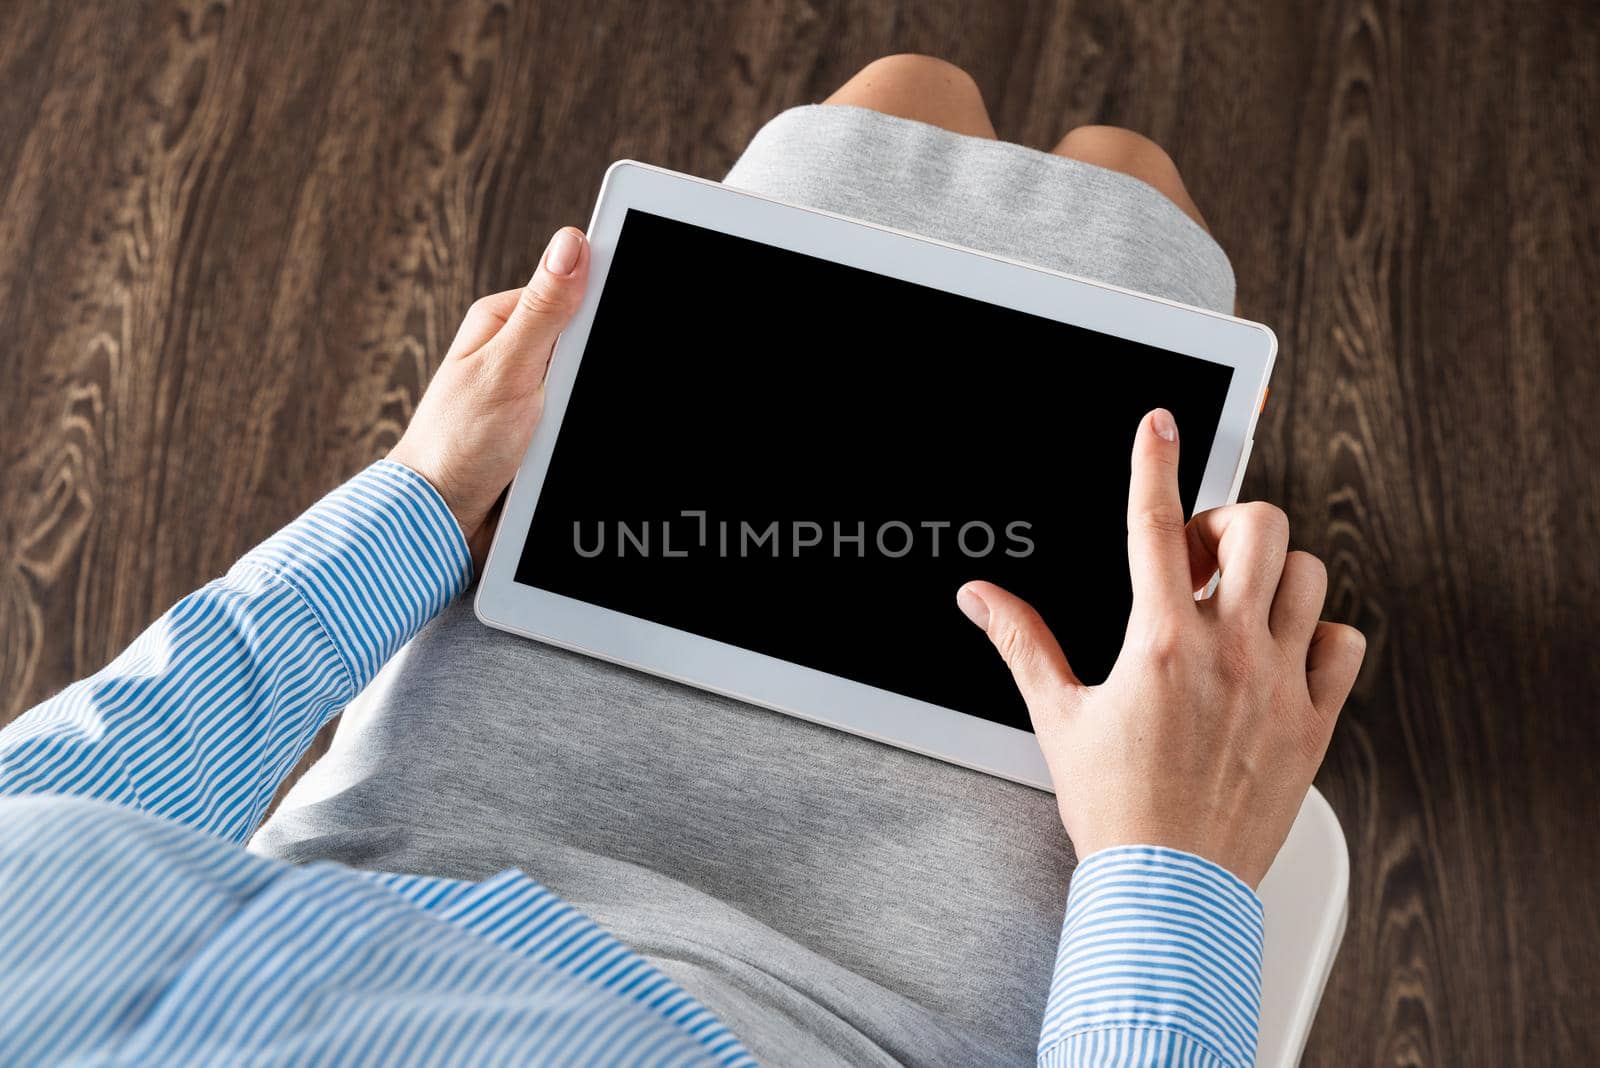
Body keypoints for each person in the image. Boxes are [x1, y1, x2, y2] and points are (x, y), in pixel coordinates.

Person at [0, 55, 1363, 1067]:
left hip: (429, 825)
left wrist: (424, 500)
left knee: (898, 104)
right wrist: (1167, 865)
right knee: (1127, 184)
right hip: (874, 998)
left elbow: (60, 801)